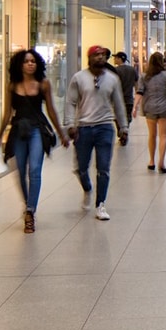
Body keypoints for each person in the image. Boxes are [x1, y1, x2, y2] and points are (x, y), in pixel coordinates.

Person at [0, 50, 66, 233]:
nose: (30, 64)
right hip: (18, 131)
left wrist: (61, 133)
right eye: (26, 61)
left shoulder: (43, 84)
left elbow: (51, 110)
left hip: (37, 130)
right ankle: (27, 204)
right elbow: (7, 114)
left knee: (34, 170)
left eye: (33, 61)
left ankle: (30, 211)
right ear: (20, 65)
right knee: (20, 172)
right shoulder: (12, 86)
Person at [67, 45, 128, 220]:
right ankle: (87, 188)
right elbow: (70, 102)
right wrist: (70, 124)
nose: (100, 58)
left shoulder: (112, 79)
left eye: (103, 55)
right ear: (89, 58)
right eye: (96, 55)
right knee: (81, 168)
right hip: (83, 128)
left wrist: (123, 128)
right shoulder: (79, 78)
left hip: (104, 127)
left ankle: (100, 204)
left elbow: (118, 104)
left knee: (104, 168)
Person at [137, 52, 166, 172]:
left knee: (152, 135)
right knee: (163, 135)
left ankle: (151, 161)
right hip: (165, 108)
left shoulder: (144, 76)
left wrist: (135, 107)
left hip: (149, 108)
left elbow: (140, 91)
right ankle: (161, 162)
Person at [110, 51, 139, 127]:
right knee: (127, 117)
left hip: (118, 100)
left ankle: (121, 132)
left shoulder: (115, 70)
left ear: (120, 59)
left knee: (118, 118)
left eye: (116, 58)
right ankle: (125, 130)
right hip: (129, 99)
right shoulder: (132, 70)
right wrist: (137, 96)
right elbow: (137, 84)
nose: (114, 60)